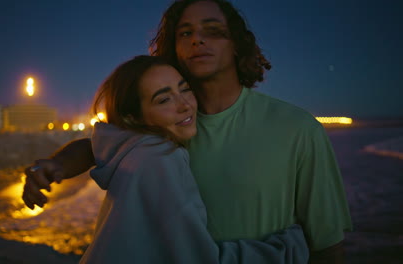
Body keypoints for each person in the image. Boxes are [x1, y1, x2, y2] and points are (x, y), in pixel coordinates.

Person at [23, 0, 352, 262]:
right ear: (174, 50)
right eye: (185, 33)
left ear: (237, 44)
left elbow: (327, 246)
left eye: (213, 30)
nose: (198, 39)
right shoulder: (159, 132)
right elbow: (99, 146)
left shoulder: (297, 128)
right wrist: (56, 165)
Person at [73, 55, 308, 263]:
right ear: (135, 118)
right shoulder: (161, 160)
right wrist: (289, 248)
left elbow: (92, 147)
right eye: (164, 100)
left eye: (184, 89)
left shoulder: (133, 149)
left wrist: (58, 163)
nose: (184, 105)